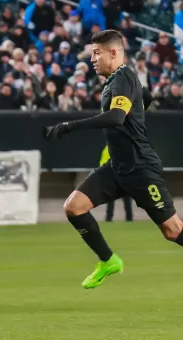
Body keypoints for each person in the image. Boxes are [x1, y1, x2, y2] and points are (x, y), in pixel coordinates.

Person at [43, 30, 183, 289]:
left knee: (173, 231)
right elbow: (146, 98)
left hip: (140, 167)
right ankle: (108, 261)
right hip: (117, 166)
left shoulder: (123, 77)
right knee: (74, 207)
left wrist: (70, 125)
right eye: (91, 53)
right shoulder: (118, 81)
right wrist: (139, 108)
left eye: (96, 53)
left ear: (114, 52)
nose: (92, 59)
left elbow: (116, 117)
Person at [100, 145, 133, 222]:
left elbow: (102, 164)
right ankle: (129, 219)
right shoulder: (125, 148)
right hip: (121, 178)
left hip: (116, 178)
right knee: (125, 200)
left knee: (113, 200)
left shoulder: (108, 148)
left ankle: (109, 219)